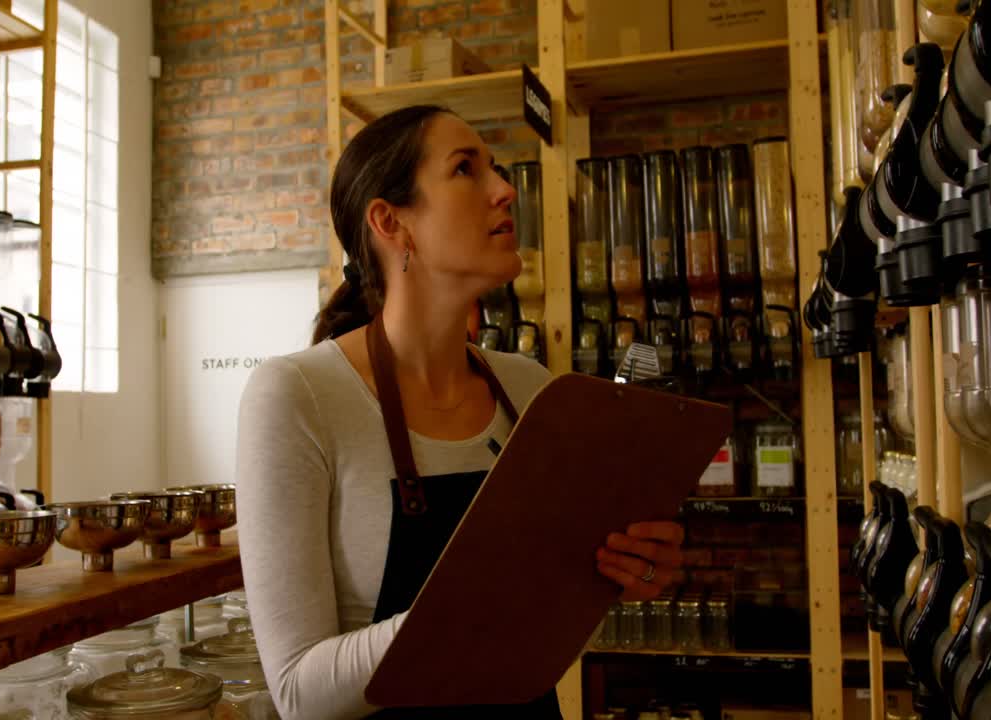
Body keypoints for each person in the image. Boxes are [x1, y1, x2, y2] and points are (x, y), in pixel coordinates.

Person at [235, 104, 684, 720]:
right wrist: (459, 610)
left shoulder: (529, 389)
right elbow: (298, 693)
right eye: (466, 169)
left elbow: (539, 632)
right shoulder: (296, 396)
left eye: (495, 169)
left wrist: (619, 574)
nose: (505, 191)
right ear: (392, 223)